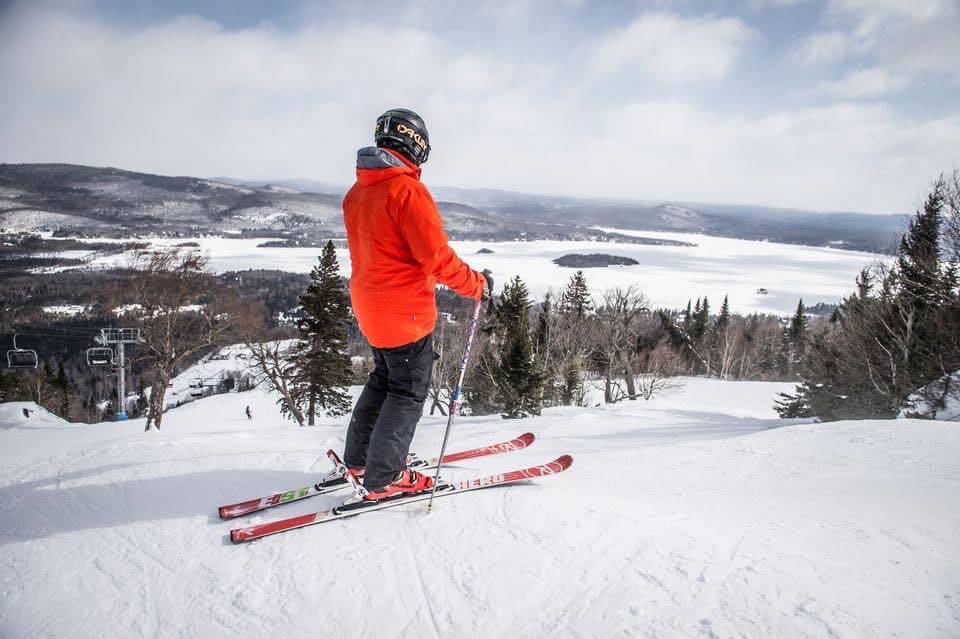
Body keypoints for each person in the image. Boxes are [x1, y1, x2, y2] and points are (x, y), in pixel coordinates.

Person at [341, 108, 492, 502]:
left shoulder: (359, 191)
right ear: (417, 145)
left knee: (384, 379)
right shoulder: (406, 190)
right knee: (407, 391)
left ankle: (360, 460)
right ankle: (385, 476)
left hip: (371, 309)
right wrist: (477, 285)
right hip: (403, 314)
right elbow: (436, 258)